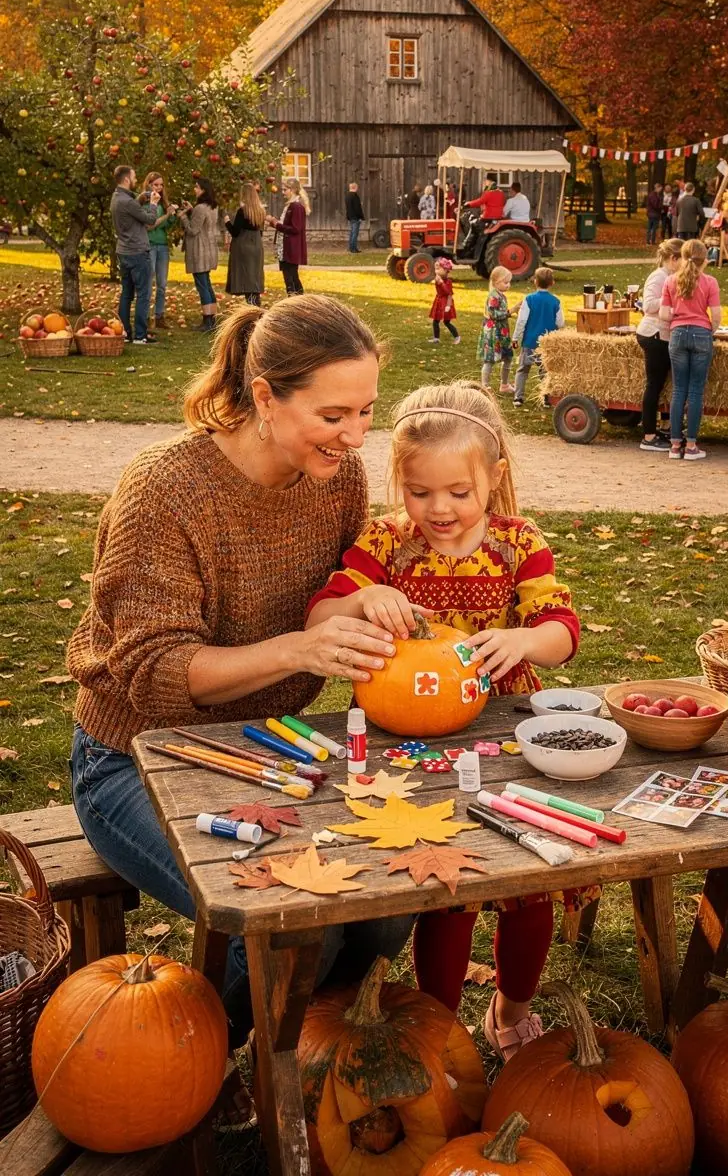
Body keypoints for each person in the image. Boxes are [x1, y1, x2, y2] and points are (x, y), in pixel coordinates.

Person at [67, 295, 414, 1094]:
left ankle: (305, 1055)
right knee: (297, 929)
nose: (357, 436)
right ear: (265, 397)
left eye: (366, 411)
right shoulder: (167, 490)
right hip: (134, 758)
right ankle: (168, 1072)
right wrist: (300, 646)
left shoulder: (338, 479)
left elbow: (339, 585)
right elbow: (152, 673)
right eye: (334, 414)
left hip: (272, 749)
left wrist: (364, 604)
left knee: (386, 905)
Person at [305, 380, 586, 1061]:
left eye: (459, 493)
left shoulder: (520, 542)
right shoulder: (384, 543)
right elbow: (319, 619)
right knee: (444, 887)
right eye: (420, 491)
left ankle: (510, 1009)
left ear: (494, 479)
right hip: (402, 740)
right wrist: (365, 597)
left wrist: (525, 640)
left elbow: (563, 627)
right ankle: (440, 1023)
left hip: (503, 734)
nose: (440, 510)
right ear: (400, 483)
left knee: (527, 886)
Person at [660, 239, 722, 460]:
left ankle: (675, 445)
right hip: (701, 334)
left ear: (683, 257)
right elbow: (716, 316)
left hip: (677, 335)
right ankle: (692, 445)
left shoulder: (670, 281)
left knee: (678, 390)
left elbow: (663, 314)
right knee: (695, 391)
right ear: (705, 260)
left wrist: (678, 316)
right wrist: (709, 330)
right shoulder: (710, 282)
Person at [636, 237, 683, 451]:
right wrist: (672, 304)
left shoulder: (672, 276)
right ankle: (648, 435)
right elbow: (648, 305)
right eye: (683, 259)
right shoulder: (659, 277)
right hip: (654, 334)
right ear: (673, 259)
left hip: (665, 335)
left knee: (665, 383)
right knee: (653, 384)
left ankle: (665, 426)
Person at [111, 165, 157, 345]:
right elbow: (150, 219)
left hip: (123, 251)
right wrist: (153, 204)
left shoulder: (117, 198)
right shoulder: (127, 202)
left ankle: (125, 332)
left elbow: (130, 214)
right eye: (134, 177)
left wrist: (139, 200)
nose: (136, 180)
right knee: (143, 294)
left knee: (126, 294)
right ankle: (140, 335)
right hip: (137, 252)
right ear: (126, 179)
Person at [512, 266, 564, 408]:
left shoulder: (529, 300)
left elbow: (521, 321)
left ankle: (518, 397)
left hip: (529, 341)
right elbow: (560, 323)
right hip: (547, 343)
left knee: (523, 369)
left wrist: (515, 337)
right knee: (545, 371)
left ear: (535, 282)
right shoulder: (556, 301)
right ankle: (547, 398)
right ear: (552, 283)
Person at [178, 178, 220, 332]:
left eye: (196, 187)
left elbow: (193, 230)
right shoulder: (212, 207)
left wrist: (182, 216)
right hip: (208, 249)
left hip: (199, 251)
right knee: (207, 284)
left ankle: (207, 321)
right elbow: (202, 223)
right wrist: (191, 210)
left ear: (203, 190)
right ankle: (212, 319)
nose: (194, 190)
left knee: (202, 285)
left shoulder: (200, 208)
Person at [140, 171, 177, 330]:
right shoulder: (143, 202)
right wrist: (166, 216)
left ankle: (159, 316)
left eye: (161, 185)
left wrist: (173, 216)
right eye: (156, 185)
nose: (159, 188)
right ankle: (145, 317)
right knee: (148, 282)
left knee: (162, 284)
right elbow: (150, 225)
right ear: (148, 185)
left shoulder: (162, 203)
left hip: (162, 245)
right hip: (149, 245)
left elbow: (166, 226)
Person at [226, 181, 266, 306]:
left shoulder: (243, 211)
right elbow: (260, 232)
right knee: (254, 279)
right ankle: (256, 305)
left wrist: (227, 222)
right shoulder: (260, 211)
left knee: (246, 278)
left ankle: (252, 310)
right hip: (257, 247)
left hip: (244, 247)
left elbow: (235, 232)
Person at [478, 265, 515, 393]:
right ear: (496, 282)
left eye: (509, 282)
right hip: (493, 333)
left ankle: (504, 384)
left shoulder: (501, 295)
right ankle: (485, 385)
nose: (508, 285)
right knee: (489, 359)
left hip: (502, 332)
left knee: (508, 358)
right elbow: (494, 315)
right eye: (505, 282)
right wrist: (512, 311)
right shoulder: (493, 296)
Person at [274, 177, 308, 295]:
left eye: (285, 190)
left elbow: (295, 229)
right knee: (289, 278)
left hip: (291, 248)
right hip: (285, 248)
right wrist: (276, 223)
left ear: (292, 190)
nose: (282, 193)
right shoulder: (290, 205)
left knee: (292, 278)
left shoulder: (296, 206)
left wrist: (276, 225)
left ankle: (298, 303)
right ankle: (294, 303)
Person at [460, 174, 505, 254]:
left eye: (486, 180)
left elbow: (480, 201)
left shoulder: (489, 193)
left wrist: (468, 204)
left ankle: (466, 245)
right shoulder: (501, 193)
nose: (485, 182)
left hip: (488, 217)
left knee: (473, 224)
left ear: (490, 181)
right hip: (497, 218)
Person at [428, 257, 460, 344]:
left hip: (445, 302)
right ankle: (436, 338)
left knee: (447, 321)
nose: (436, 271)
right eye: (435, 269)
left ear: (446, 270)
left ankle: (457, 337)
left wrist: (448, 305)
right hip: (439, 301)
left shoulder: (448, 281)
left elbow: (448, 293)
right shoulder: (437, 278)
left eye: (438, 269)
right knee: (436, 320)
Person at [345, 182, 364, 253]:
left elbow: (349, 207)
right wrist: (360, 217)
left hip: (350, 216)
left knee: (352, 232)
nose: (357, 188)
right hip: (355, 217)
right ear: (355, 187)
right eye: (357, 187)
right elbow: (357, 208)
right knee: (355, 233)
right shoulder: (355, 196)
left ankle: (350, 247)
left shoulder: (347, 196)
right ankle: (353, 249)